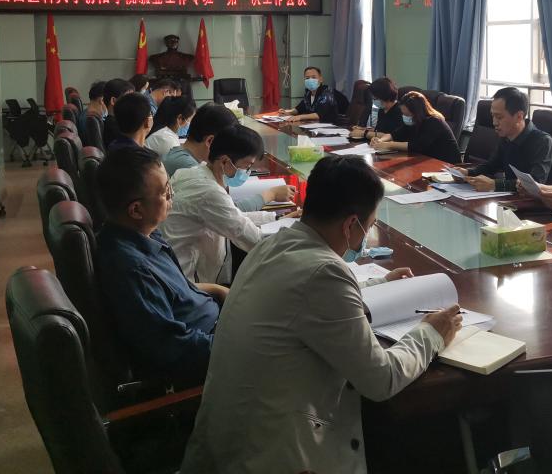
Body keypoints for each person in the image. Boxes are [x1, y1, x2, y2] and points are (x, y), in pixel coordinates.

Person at [179, 156, 462, 474]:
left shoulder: (273, 245)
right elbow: (381, 379)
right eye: (369, 226)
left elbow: (305, 298)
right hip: (271, 458)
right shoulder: (324, 273)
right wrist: (431, 333)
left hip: (228, 445)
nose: (366, 234)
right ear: (350, 225)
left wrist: (380, 283)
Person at [94, 147, 226, 389]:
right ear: (136, 210)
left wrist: (220, 291)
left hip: (215, 324)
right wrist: (239, 344)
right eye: (165, 192)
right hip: (208, 358)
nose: (171, 196)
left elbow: (178, 290)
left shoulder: (145, 235)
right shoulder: (132, 269)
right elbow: (175, 349)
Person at [164, 125, 297, 284]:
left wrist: (277, 218)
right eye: (247, 166)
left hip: (177, 269)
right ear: (225, 161)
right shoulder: (209, 192)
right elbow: (254, 240)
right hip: (185, 281)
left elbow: (233, 215)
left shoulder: (192, 172)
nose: (247, 171)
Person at [164, 104, 296, 210]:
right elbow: (230, 211)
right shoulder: (188, 166)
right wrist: (271, 194)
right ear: (210, 141)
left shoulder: (184, 155)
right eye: (231, 144)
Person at [453, 87, 552, 192]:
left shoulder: (543, 141)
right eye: (493, 116)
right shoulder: (506, 136)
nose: (494, 122)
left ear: (519, 116)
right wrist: (468, 173)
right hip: (512, 198)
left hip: (540, 200)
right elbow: (491, 165)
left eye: (499, 117)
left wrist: (495, 185)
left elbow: (535, 183)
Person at [371, 91, 461, 164]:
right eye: (403, 114)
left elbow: (417, 146)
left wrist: (389, 145)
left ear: (417, 112)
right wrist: (380, 141)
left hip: (447, 165)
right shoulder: (415, 121)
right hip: (425, 161)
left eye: (407, 114)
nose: (405, 117)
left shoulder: (434, 121)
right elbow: (394, 134)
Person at [351, 76, 404, 140]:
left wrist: (364, 133)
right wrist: (362, 129)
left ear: (383, 96)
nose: (374, 100)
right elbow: (379, 130)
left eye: (375, 98)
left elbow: (392, 135)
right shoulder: (382, 110)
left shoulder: (399, 111)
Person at [101, 77, 135, 148]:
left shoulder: (118, 123)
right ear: (113, 101)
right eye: (128, 99)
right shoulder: (114, 127)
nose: (132, 103)